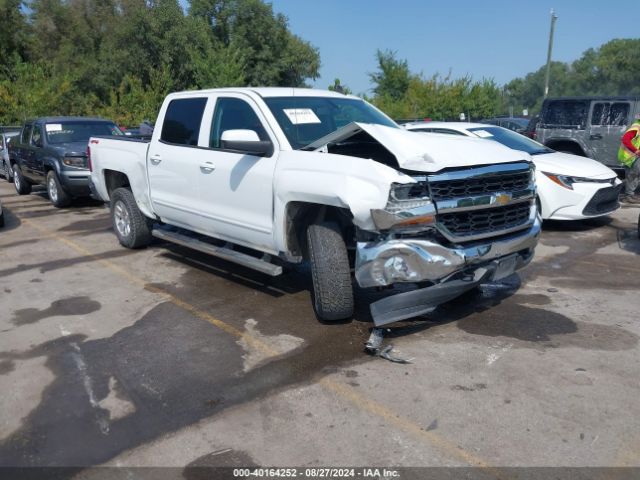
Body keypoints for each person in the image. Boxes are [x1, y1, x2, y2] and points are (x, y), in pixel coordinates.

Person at [619, 112, 640, 203]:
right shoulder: (636, 127)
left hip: (635, 156)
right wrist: (636, 150)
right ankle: (628, 196)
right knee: (632, 175)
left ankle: (630, 194)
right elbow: (625, 139)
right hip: (631, 156)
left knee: (636, 175)